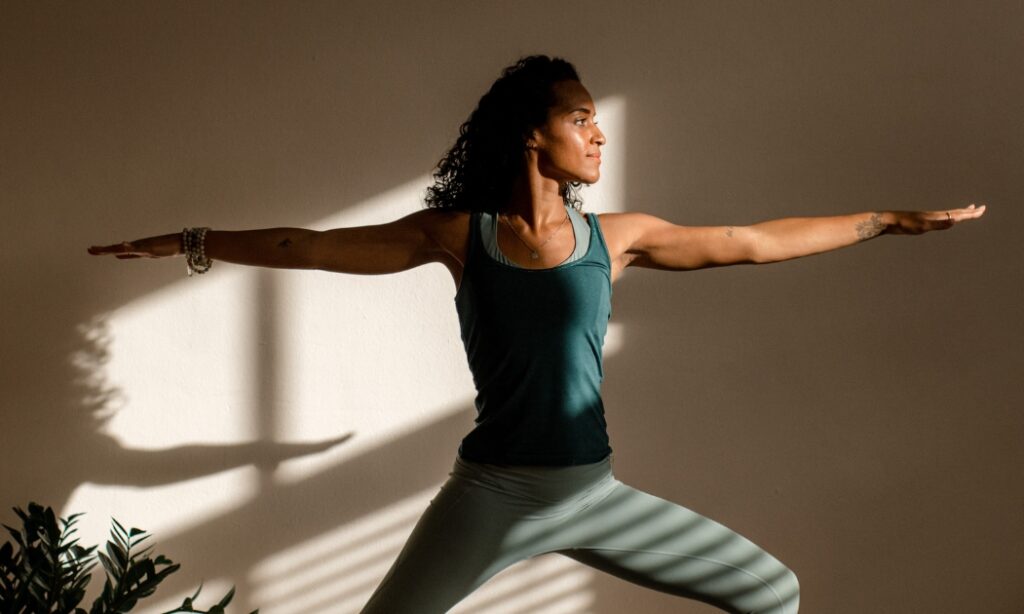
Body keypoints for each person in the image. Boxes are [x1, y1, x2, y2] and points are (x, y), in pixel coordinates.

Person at [89, 55, 985, 614]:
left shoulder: (617, 239)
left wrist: (884, 220)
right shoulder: (458, 237)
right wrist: (194, 241)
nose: (598, 134)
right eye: (580, 118)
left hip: (592, 493)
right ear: (532, 133)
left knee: (773, 593)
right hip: (494, 495)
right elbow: (313, 246)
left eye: (597, 119)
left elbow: (751, 242)